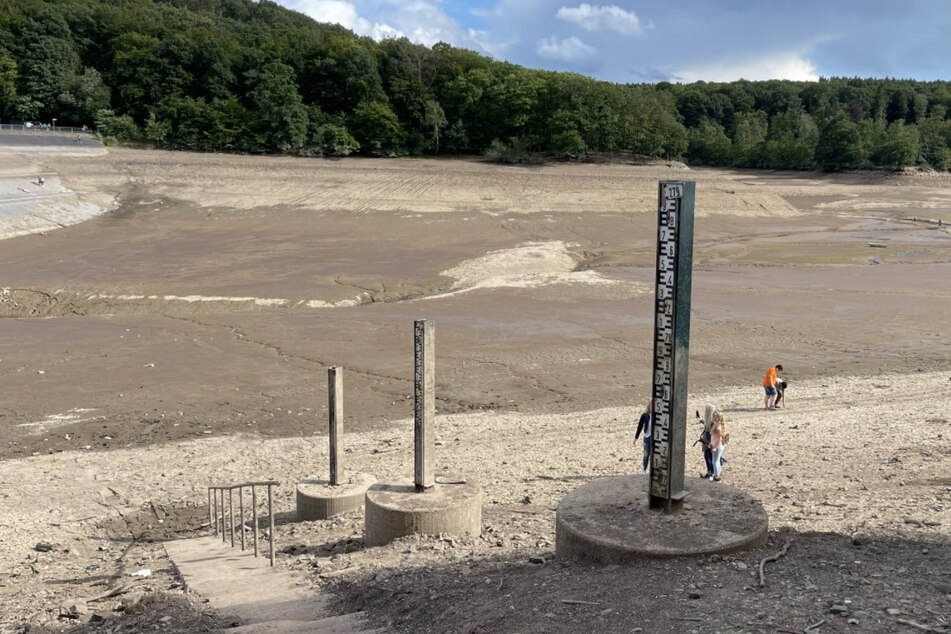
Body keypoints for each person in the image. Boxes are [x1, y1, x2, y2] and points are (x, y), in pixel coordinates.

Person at [697, 402, 716, 479]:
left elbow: (710, 428)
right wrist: (701, 420)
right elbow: (707, 424)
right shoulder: (711, 420)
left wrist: (711, 442)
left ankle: (710, 473)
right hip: (709, 442)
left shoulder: (712, 422)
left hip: (709, 442)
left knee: (708, 457)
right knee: (709, 456)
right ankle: (711, 472)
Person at [634, 400, 652, 474]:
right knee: (646, 454)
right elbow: (640, 426)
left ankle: (652, 470)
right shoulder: (645, 415)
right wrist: (636, 437)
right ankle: (644, 469)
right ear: (649, 406)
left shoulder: (658, 415)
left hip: (654, 438)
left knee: (653, 455)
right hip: (647, 437)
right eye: (651, 406)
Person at [709, 412, 728, 482]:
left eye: (713, 416)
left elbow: (719, 438)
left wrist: (715, 447)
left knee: (715, 461)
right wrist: (711, 443)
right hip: (716, 445)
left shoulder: (718, 427)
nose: (712, 417)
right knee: (716, 461)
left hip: (717, 446)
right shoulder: (717, 425)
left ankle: (717, 476)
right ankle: (717, 474)